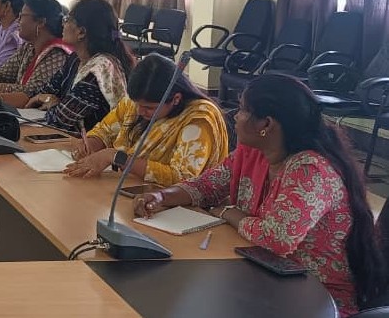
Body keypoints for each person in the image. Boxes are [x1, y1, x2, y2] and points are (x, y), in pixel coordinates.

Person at [134, 75, 389, 316]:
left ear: (266, 124)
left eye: (243, 109)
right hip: (266, 276)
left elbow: (277, 238)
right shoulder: (254, 152)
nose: (235, 116)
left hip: (315, 297)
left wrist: (228, 212)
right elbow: (206, 186)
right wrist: (162, 197)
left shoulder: (310, 169)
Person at [63, 53, 229, 185]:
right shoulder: (138, 102)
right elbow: (105, 130)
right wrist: (90, 145)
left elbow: (182, 177)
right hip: (132, 188)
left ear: (176, 99)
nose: (139, 111)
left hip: (176, 205)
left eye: (149, 108)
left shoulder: (198, 119)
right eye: (137, 104)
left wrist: (116, 157)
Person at [26, 0, 135, 133]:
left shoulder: (100, 69)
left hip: (92, 142)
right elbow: (45, 90)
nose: (63, 24)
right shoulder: (75, 59)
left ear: (81, 32)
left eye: (67, 20)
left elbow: (60, 119)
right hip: (69, 137)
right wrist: (45, 98)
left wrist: (52, 101)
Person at [0, 0, 73, 108]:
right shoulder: (28, 46)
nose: (18, 20)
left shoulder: (57, 53)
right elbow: (2, 74)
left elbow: (30, 92)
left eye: (22, 16)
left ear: (41, 22)